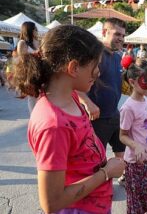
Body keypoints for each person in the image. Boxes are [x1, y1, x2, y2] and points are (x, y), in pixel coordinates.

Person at [12, 25, 125, 213]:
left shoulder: (70, 96)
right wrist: (106, 173)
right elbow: (52, 203)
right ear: (73, 68)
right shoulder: (53, 125)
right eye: (94, 66)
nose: (98, 72)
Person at [77, 18, 126, 185]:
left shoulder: (117, 57)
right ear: (104, 32)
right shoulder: (95, 55)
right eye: (117, 34)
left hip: (114, 113)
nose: (121, 38)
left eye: (123, 35)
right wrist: (87, 103)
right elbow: (74, 83)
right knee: (97, 157)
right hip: (97, 118)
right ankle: (99, 186)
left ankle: (122, 176)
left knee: (121, 149)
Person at [119, 61, 147, 214]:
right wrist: (136, 145)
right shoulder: (128, 108)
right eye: (145, 81)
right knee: (136, 202)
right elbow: (122, 135)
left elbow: (145, 124)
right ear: (132, 82)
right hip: (136, 163)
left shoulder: (144, 99)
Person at [17, 21, 39, 114]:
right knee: (32, 97)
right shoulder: (22, 43)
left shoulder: (36, 42)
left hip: (39, 72)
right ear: (29, 30)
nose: (36, 31)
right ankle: (34, 118)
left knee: (40, 97)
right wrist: (35, 54)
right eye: (35, 29)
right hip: (29, 73)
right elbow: (22, 59)